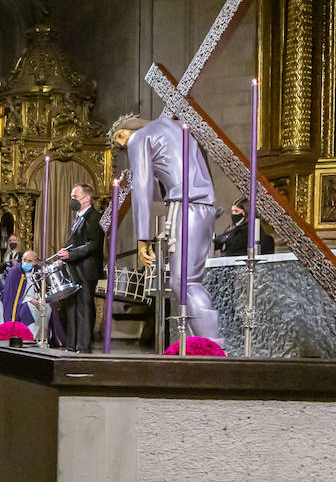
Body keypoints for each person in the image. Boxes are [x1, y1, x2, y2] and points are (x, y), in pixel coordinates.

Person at [112, 113, 223, 340]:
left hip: (185, 207)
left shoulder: (139, 138)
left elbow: (142, 189)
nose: (123, 147)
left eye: (119, 142)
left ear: (124, 132)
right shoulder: (178, 129)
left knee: (185, 282)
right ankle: (197, 346)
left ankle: (215, 349)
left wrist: (143, 238)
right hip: (205, 207)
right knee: (189, 282)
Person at [56, 183, 105, 352]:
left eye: (75, 197)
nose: (72, 200)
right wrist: (64, 254)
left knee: (84, 307)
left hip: (87, 271)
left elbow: (92, 244)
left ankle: (83, 347)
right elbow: (74, 243)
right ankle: (71, 345)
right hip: (74, 270)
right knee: (72, 308)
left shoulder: (95, 217)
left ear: (87, 198)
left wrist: (72, 254)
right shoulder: (78, 217)